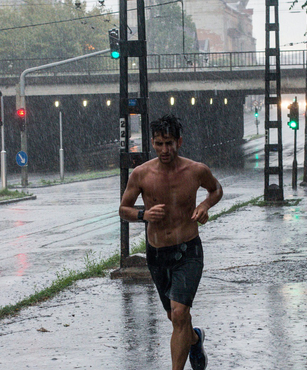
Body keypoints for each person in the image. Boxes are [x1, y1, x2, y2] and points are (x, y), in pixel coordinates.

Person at [119, 114, 223, 370]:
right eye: (159, 144)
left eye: (169, 143)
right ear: (152, 143)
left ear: (179, 142)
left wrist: (204, 205)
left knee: (179, 314)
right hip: (157, 254)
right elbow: (123, 209)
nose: (164, 149)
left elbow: (216, 189)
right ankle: (195, 339)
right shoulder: (141, 174)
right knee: (174, 316)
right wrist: (144, 214)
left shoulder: (196, 170)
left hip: (188, 249)